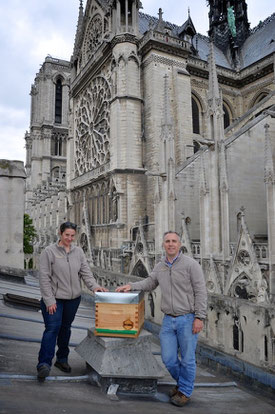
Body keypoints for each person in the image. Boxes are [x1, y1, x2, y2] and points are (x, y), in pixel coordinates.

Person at [116, 231, 207, 407]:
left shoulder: (191, 265)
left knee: (188, 359)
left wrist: (199, 317)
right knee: (168, 359)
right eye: (167, 241)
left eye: (174, 241)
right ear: (163, 244)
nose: (171, 244)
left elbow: (201, 292)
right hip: (168, 320)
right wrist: (131, 286)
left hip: (187, 318)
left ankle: (185, 391)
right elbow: (150, 283)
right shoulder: (161, 266)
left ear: (179, 244)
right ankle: (183, 384)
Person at [37, 221, 107, 381]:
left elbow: (86, 272)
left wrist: (95, 287)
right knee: (52, 329)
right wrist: (49, 300)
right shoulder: (49, 252)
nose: (69, 238)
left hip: (73, 299)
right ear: (60, 234)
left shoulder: (78, 252)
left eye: (72, 235)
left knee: (65, 329)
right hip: (54, 299)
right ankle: (44, 364)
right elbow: (44, 278)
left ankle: (62, 359)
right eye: (66, 235)